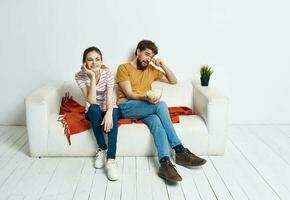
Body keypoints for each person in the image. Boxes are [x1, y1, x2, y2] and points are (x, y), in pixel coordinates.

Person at [116, 40, 207, 182]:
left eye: (151, 57)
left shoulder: (151, 70)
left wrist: (162, 64)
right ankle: (179, 149)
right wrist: (146, 98)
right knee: (161, 105)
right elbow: (129, 94)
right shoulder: (123, 68)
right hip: (127, 106)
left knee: (157, 122)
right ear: (138, 51)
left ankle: (164, 163)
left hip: (145, 108)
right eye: (146, 54)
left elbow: (173, 80)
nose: (148, 59)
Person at [75, 47, 119, 181]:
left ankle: (111, 160)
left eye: (97, 59)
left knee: (114, 116)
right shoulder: (79, 76)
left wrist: (109, 112)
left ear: (101, 60)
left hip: (109, 106)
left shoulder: (108, 73)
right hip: (93, 109)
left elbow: (110, 96)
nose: (94, 63)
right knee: (94, 108)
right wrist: (92, 76)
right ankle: (102, 148)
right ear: (84, 63)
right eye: (90, 60)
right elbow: (91, 100)